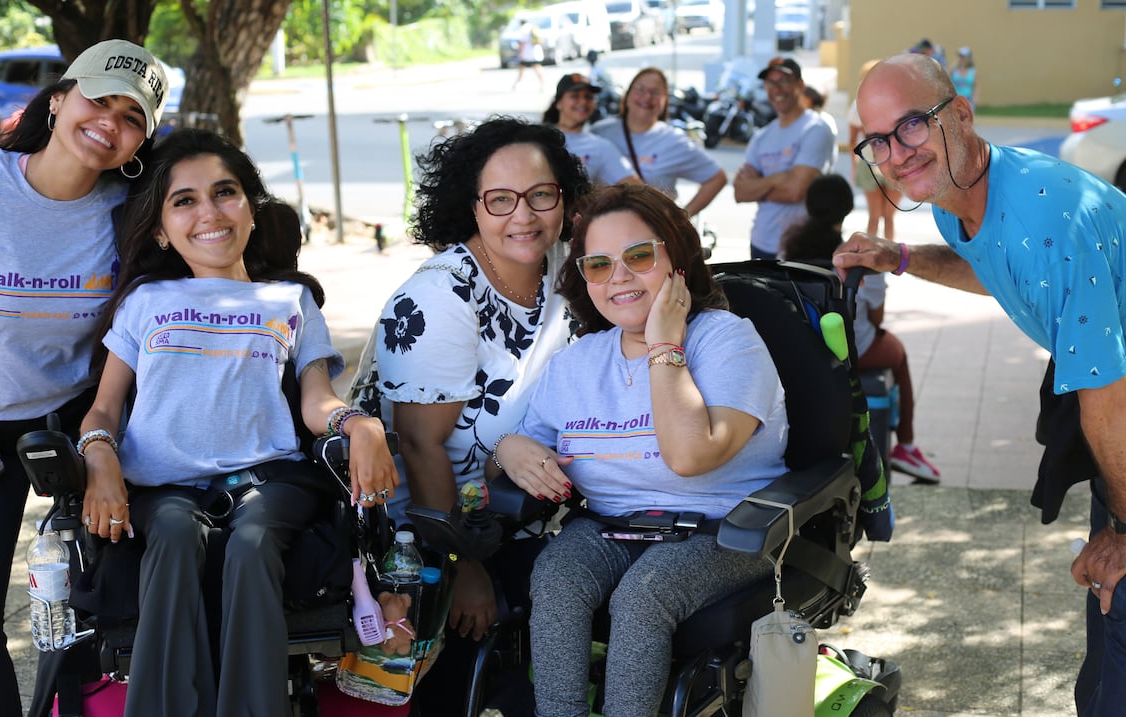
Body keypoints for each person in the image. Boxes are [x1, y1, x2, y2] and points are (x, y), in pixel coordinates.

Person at [832, 52, 1126, 716]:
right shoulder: (955, 198)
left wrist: (1124, 526)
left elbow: (1109, 397)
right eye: (876, 138)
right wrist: (897, 257)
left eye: (910, 124)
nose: (894, 153)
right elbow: (993, 267)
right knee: (1105, 653)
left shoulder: (1048, 223)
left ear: (959, 112)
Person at [77, 128, 397, 716]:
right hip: (160, 485)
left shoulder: (290, 301)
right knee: (173, 533)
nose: (209, 213)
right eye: (184, 200)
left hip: (269, 479)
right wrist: (98, 456)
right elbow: (105, 408)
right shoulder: (145, 302)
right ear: (159, 230)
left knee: (251, 545)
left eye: (225, 193)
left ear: (251, 208)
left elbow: (316, 401)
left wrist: (362, 426)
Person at [0, 38, 168, 716]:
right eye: (99, 99)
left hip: (86, 418)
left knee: (99, 606)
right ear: (58, 99)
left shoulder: (131, 213)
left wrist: (105, 443)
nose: (109, 122)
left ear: (139, 140)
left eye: (131, 116)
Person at [492, 183, 787, 715]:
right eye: (598, 264)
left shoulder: (727, 340)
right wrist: (510, 447)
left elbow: (690, 456)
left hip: (726, 529)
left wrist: (665, 347)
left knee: (643, 594)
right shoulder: (578, 362)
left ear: (677, 257)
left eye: (640, 256)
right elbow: (529, 442)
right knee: (556, 578)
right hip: (611, 525)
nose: (620, 276)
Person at [349, 117, 593, 711]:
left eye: (541, 195)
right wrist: (464, 567)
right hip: (427, 534)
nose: (524, 216)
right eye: (501, 200)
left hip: (521, 511)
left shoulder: (569, 269)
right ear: (472, 206)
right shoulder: (441, 296)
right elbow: (419, 447)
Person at [781, 174, 940, 482]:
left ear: (809, 205)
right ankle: (905, 444)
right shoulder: (860, 257)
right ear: (848, 209)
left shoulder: (788, 251)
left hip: (805, 348)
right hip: (855, 349)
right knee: (898, 353)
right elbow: (877, 319)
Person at [733, 57, 836, 259]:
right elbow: (740, 192)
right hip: (761, 243)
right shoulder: (761, 136)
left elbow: (795, 191)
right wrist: (779, 178)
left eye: (783, 81)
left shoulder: (816, 129)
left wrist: (759, 187)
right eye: (771, 83)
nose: (777, 89)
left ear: (800, 85)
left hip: (803, 246)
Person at [590, 67, 728, 217]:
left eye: (656, 93)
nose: (647, 97)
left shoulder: (675, 141)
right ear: (628, 95)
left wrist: (682, 218)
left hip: (650, 233)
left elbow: (717, 178)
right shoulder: (600, 132)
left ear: (665, 101)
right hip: (602, 229)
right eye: (640, 89)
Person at [542, 72, 641, 186]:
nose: (583, 101)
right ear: (558, 103)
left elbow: (636, 187)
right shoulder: (537, 138)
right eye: (575, 96)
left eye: (589, 97)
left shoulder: (601, 147)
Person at [850, 59, 904, 242]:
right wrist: (854, 167)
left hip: (896, 160)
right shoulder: (857, 105)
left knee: (889, 216)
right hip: (869, 162)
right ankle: (871, 262)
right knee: (875, 216)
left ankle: (891, 260)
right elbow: (852, 141)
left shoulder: (898, 101)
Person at [513, 20, 546, 91]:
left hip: (527, 53)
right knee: (537, 67)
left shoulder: (523, 29)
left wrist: (520, 53)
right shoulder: (533, 27)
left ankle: (517, 84)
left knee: (522, 68)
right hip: (536, 52)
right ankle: (543, 84)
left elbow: (522, 43)